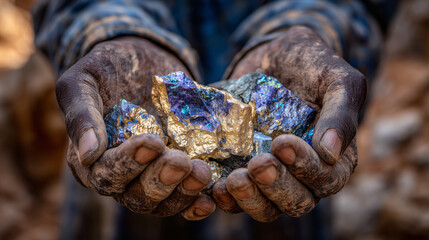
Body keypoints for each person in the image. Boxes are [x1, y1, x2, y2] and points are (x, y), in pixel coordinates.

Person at [32, 0, 393, 238]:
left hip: (282, 203)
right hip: (120, 208)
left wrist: (312, 29)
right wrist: (112, 31)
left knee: (282, 184)